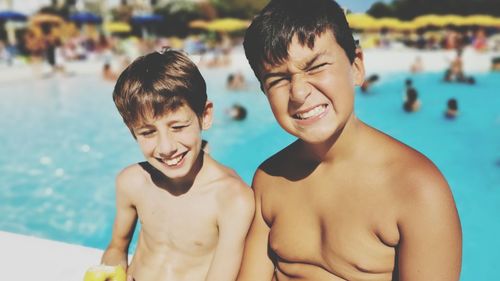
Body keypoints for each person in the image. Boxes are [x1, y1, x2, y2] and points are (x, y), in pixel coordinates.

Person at [237, 0, 462, 280]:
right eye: (279, 80)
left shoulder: (416, 189)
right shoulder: (270, 179)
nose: (298, 92)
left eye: (316, 67)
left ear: (356, 67)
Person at [98, 49, 254, 281]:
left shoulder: (231, 199)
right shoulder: (132, 182)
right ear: (133, 133)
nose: (166, 147)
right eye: (148, 132)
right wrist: (110, 272)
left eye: (178, 127)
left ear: (206, 115)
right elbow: (116, 248)